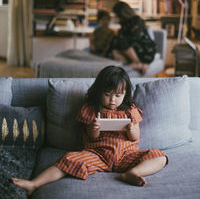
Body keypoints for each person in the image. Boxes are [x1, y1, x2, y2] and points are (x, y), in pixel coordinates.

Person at [11, 66, 167, 195]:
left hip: (126, 155)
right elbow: (91, 138)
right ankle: (34, 184)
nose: (113, 100)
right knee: (69, 159)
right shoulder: (92, 109)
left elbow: (135, 138)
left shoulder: (130, 110)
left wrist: (132, 129)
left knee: (160, 156)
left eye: (118, 96)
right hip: (97, 154)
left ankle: (133, 173)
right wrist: (94, 129)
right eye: (107, 95)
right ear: (99, 91)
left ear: (125, 94)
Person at [111, 1, 156, 73]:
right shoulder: (124, 23)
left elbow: (134, 38)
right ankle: (137, 65)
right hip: (135, 49)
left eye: (117, 15)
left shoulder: (136, 20)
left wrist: (119, 37)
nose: (116, 17)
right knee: (114, 49)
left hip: (145, 50)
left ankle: (138, 63)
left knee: (120, 41)